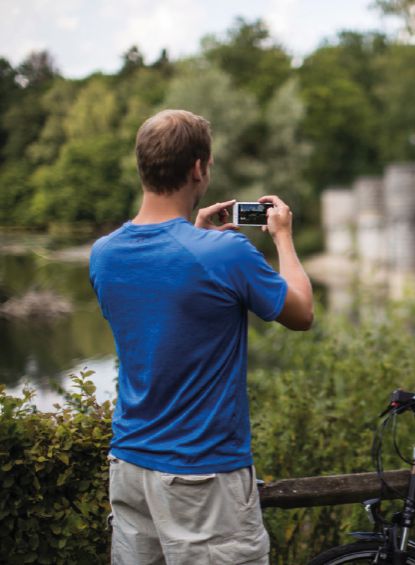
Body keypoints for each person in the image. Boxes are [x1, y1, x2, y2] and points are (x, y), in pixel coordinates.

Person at [89, 109, 314, 564]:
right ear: (198, 168)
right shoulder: (225, 252)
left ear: (143, 166)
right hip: (202, 475)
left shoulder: (103, 254)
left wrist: (193, 238)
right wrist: (284, 237)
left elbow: (166, 315)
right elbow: (301, 312)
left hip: (130, 465)